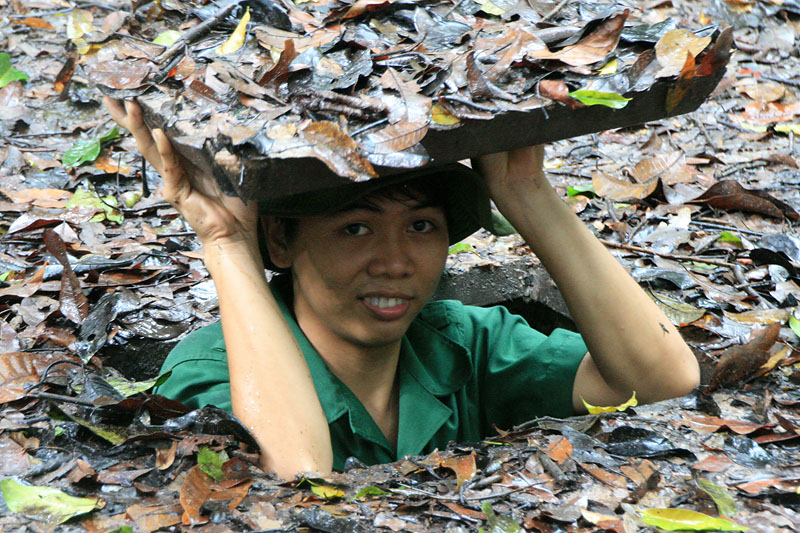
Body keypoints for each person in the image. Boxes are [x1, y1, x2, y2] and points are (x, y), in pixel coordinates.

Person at [105, 97, 700, 479]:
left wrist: (527, 193)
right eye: (355, 229)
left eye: (420, 227)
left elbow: (660, 380)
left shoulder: (458, 343)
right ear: (282, 243)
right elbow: (294, 481)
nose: (394, 262)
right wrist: (228, 245)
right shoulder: (208, 370)